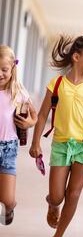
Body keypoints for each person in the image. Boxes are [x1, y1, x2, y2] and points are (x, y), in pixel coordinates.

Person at [29, 34, 83, 237]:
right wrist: (35, 143)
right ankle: (52, 205)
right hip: (61, 145)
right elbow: (43, 114)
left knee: (74, 194)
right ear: (76, 57)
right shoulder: (57, 83)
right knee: (57, 196)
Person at [0, 45, 37, 225]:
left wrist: (29, 123)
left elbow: (34, 116)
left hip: (8, 149)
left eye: (4, 69)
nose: (0, 73)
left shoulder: (19, 92)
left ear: (12, 68)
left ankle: (9, 207)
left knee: (7, 201)